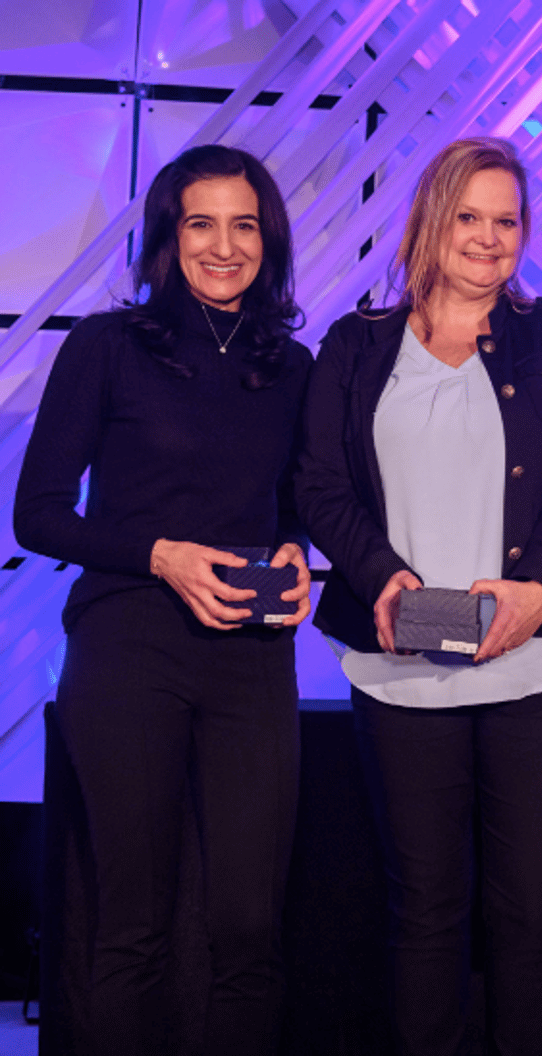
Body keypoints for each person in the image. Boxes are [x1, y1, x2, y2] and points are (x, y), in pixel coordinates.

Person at [294, 136, 542, 1056]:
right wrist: (379, 577)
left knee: (530, 920)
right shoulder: (354, 347)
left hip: (538, 669)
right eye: (467, 216)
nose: (486, 237)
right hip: (401, 672)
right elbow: (319, 483)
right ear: (430, 222)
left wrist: (534, 593)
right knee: (425, 913)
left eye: (505, 220)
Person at [13, 144, 312, 1055]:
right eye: (200, 224)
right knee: (132, 925)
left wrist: (300, 553)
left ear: (268, 239)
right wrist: (160, 555)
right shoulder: (107, 347)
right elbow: (38, 515)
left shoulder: (292, 365)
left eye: (244, 225)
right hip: (127, 647)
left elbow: (297, 506)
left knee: (251, 929)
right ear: (166, 238)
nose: (224, 246)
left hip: (252, 657)